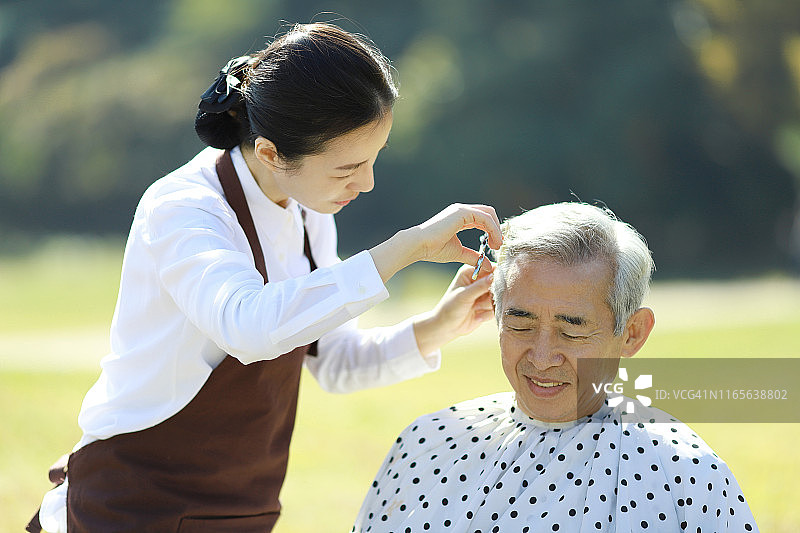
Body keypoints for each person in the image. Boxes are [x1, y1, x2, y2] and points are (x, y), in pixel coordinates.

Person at [31, 22, 502, 533]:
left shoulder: (308, 210)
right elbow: (250, 328)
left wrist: (441, 324)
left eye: (373, 160)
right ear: (273, 153)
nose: (366, 183)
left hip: (241, 510)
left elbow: (335, 360)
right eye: (348, 168)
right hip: (132, 503)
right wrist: (402, 250)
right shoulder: (184, 209)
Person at [353, 202, 758, 533]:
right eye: (521, 323)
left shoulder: (686, 477)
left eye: (572, 331)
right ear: (494, 312)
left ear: (632, 333)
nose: (542, 357)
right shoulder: (426, 446)